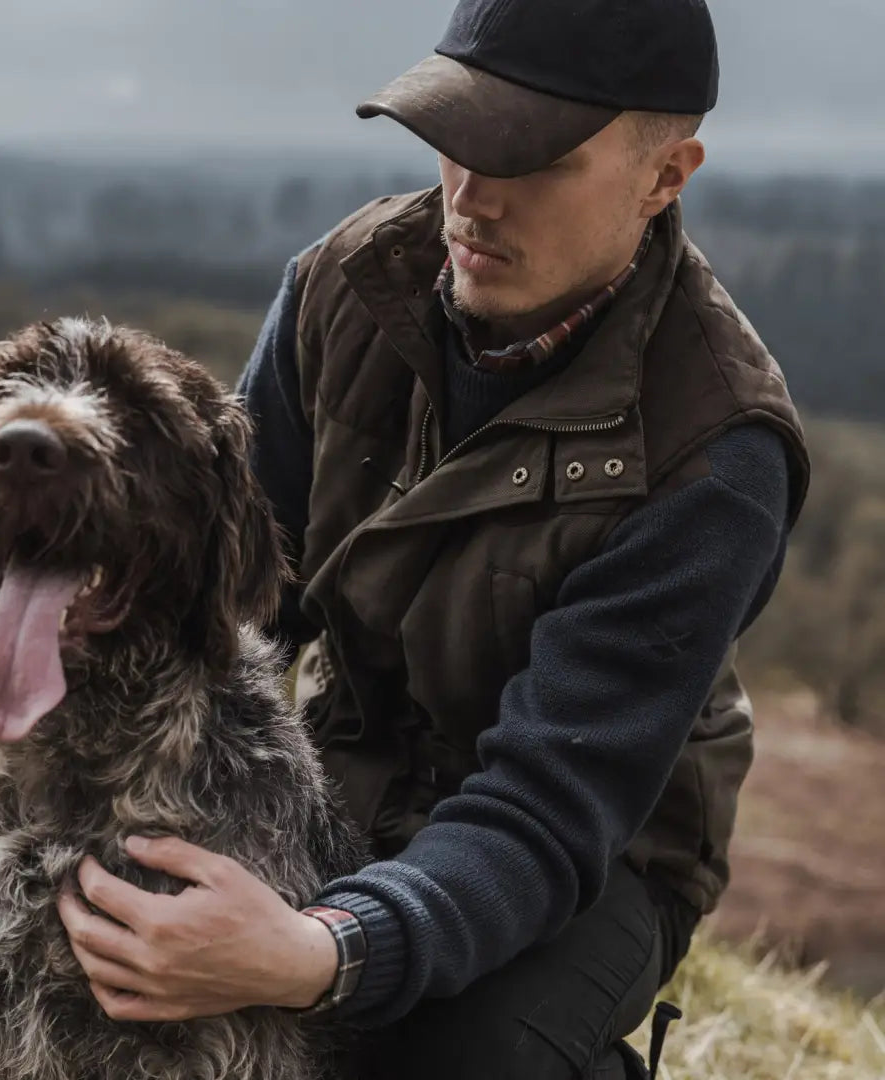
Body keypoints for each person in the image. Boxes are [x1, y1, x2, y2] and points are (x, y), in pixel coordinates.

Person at [56, 0, 810, 1076]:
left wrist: (316, 951)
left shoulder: (717, 454)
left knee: (443, 1054)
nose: (472, 194)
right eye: (457, 134)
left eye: (535, 159)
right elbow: (225, 596)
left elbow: (548, 811)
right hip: (343, 773)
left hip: (594, 854)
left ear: (666, 176)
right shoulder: (347, 285)